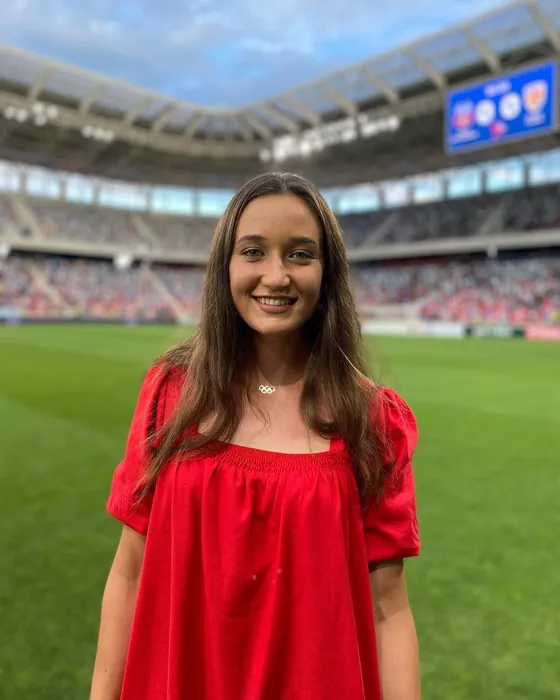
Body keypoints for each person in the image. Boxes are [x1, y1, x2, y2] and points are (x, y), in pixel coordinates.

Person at [89, 172, 421, 700]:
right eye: (253, 252)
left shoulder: (373, 421)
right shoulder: (170, 394)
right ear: (225, 265)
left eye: (300, 254)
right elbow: (129, 574)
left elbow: (389, 611)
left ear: (327, 271)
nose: (276, 275)